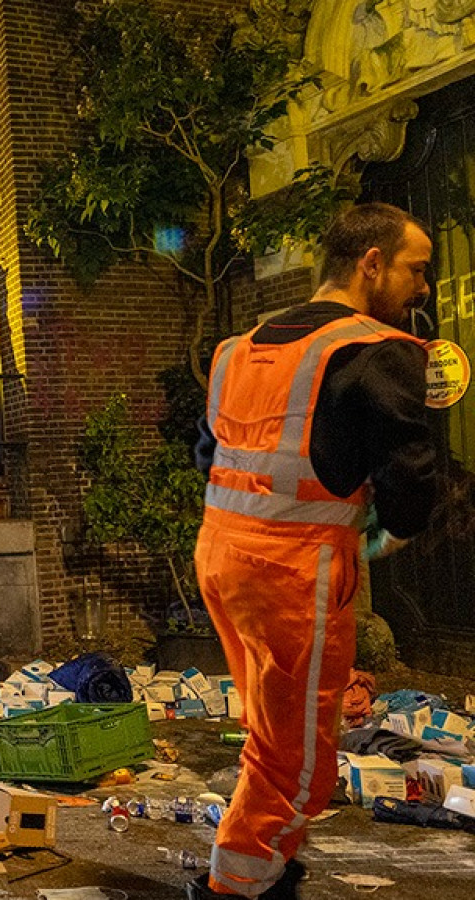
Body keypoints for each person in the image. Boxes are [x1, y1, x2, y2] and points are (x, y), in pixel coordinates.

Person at [191, 202, 441, 899]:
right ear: (371, 265)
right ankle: (239, 883)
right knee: (300, 763)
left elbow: (208, 451)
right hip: (291, 576)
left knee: (269, 730)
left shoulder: (239, 348)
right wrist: (387, 532)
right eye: (416, 270)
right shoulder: (377, 350)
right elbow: (410, 476)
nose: (423, 288)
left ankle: (267, 857)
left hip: (221, 558)